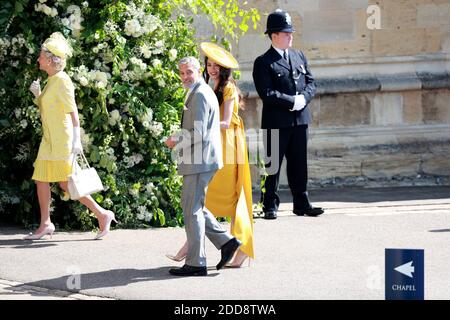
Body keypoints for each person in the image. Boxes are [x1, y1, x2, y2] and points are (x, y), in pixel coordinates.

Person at [167, 43, 254, 268]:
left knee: (195, 205)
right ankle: (225, 243)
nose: (185, 76)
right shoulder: (202, 88)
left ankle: (198, 261)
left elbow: (203, 129)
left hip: (214, 150)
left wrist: (176, 139)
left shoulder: (211, 91)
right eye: (209, 64)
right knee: (196, 205)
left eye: (189, 72)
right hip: (206, 152)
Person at [25, 32, 115, 240]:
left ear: (49, 59)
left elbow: (73, 114)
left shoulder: (62, 80)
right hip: (49, 140)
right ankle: (46, 223)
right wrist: (38, 96)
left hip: (62, 140)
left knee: (67, 183)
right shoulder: (51, 80)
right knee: (41, 179)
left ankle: (102, 214)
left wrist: (76, 141)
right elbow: (50, 109)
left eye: (41, 56)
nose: (38, 59)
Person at [252, 9, 324, 220]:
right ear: (274, 35)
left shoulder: (298, 55)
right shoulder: (264, 62)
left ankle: (301, 203)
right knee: (272, 166)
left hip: (300, 120)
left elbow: (311, 82)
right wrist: (292, 101)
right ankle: (269, 205)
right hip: (277, 122)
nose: (290, 36)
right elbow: (267, 93)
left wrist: (304, 98)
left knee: (299, 164)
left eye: (290, 32)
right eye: (286, 33)